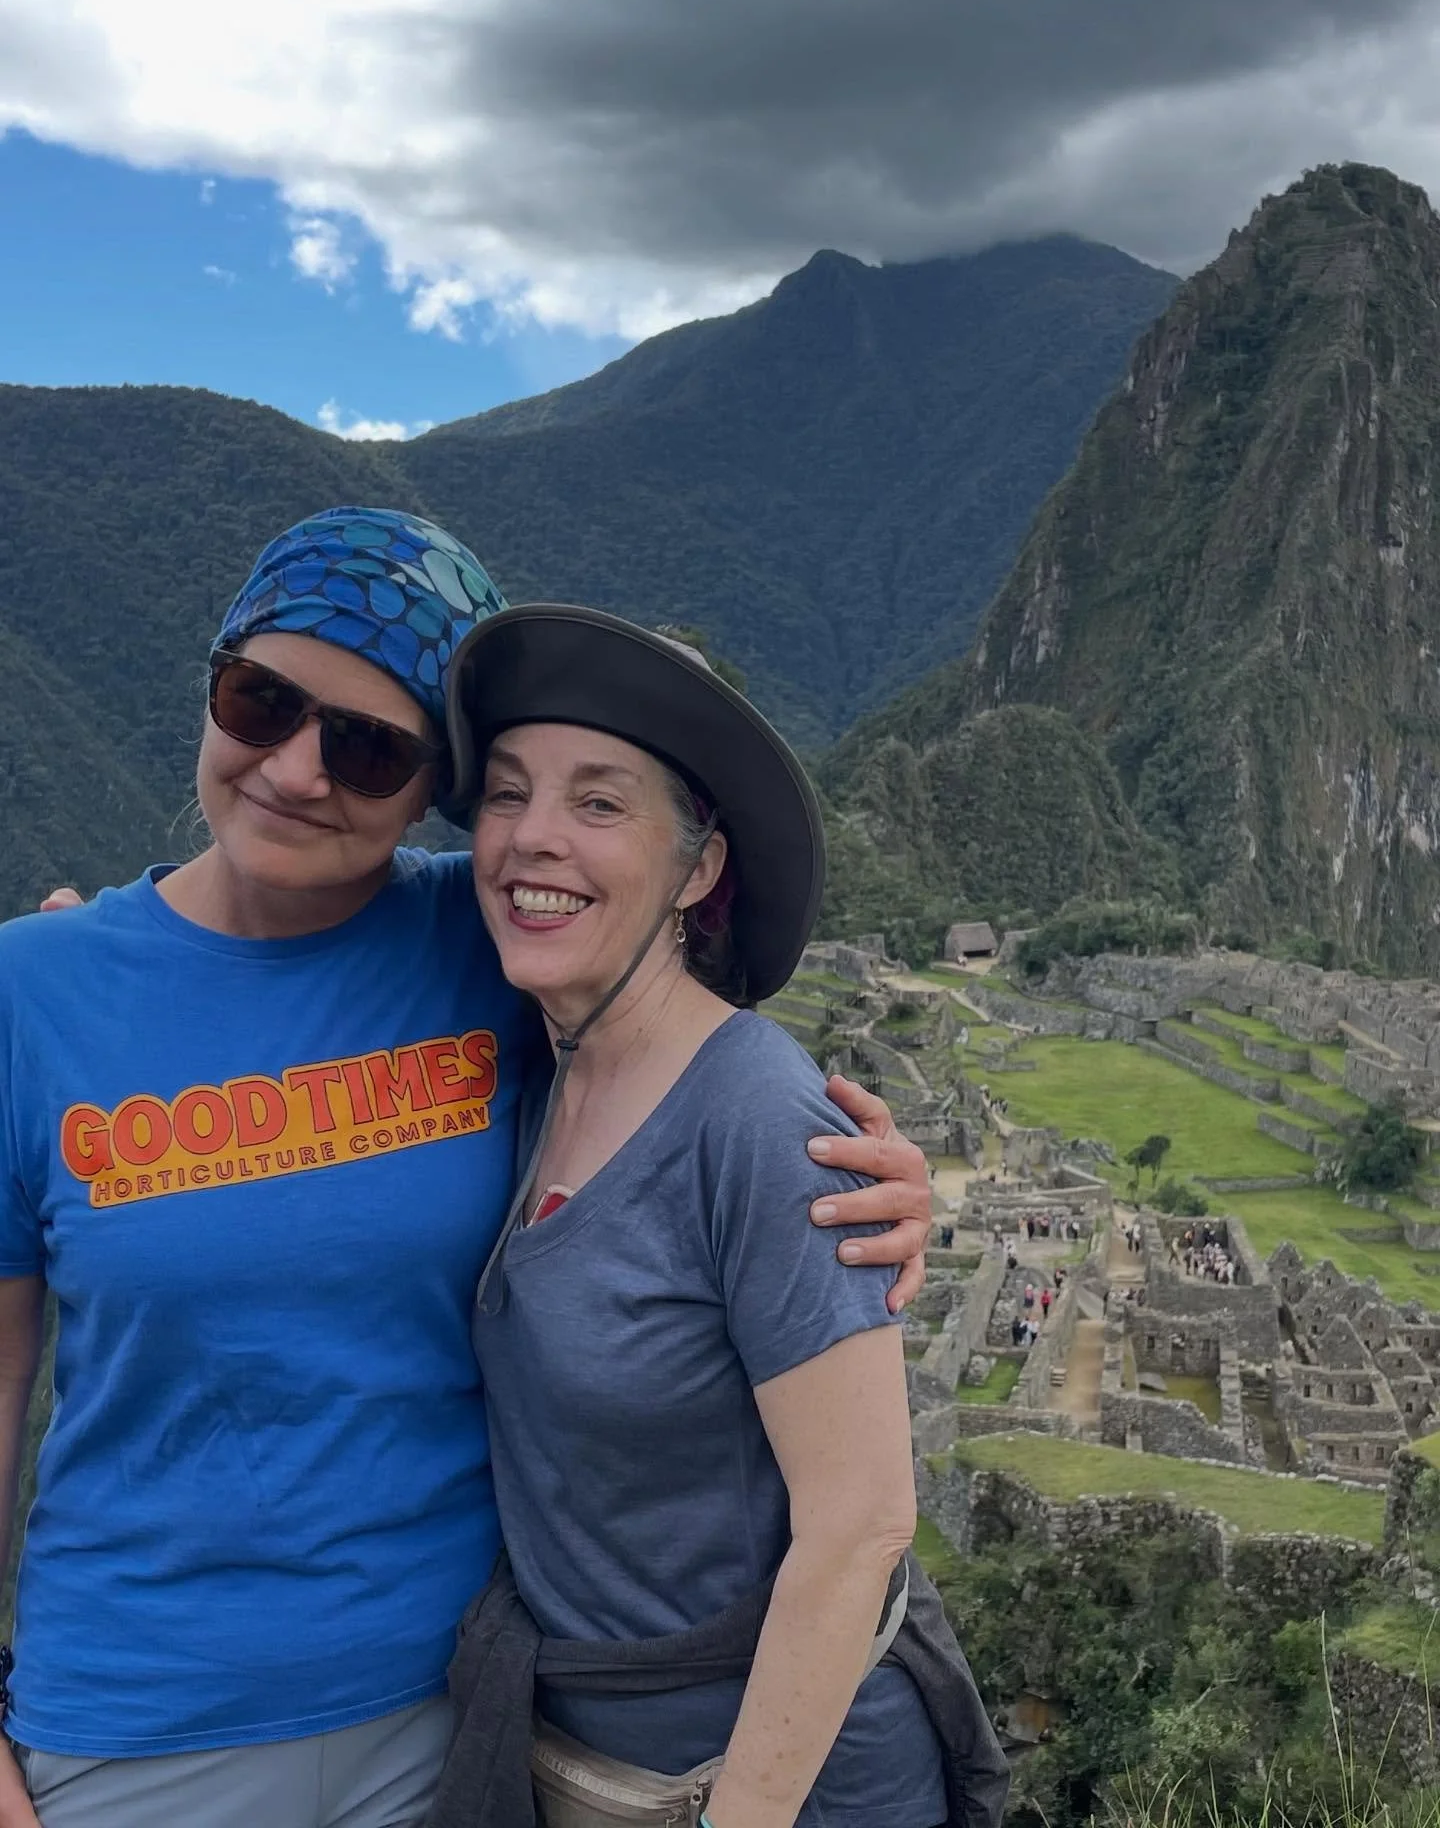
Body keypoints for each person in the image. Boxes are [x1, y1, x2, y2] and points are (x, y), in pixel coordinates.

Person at [0, 515, 933, 1828]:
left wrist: (858, 1184)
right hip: (135, 1729)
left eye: (369, 748)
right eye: (260, 701)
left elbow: (681, 1059)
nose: (297, 770)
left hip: (452, 1726)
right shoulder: (33, 993)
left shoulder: (480, 939)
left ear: (420, 790)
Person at [426, 605, 1008, 1828]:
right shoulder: (543, 1063)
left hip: (782, 1789)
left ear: (697, 870)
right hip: (594, 1767)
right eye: (509, 793)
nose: (534, 836)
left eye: (599, 802)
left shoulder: (754, 1115)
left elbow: (861, 1525)